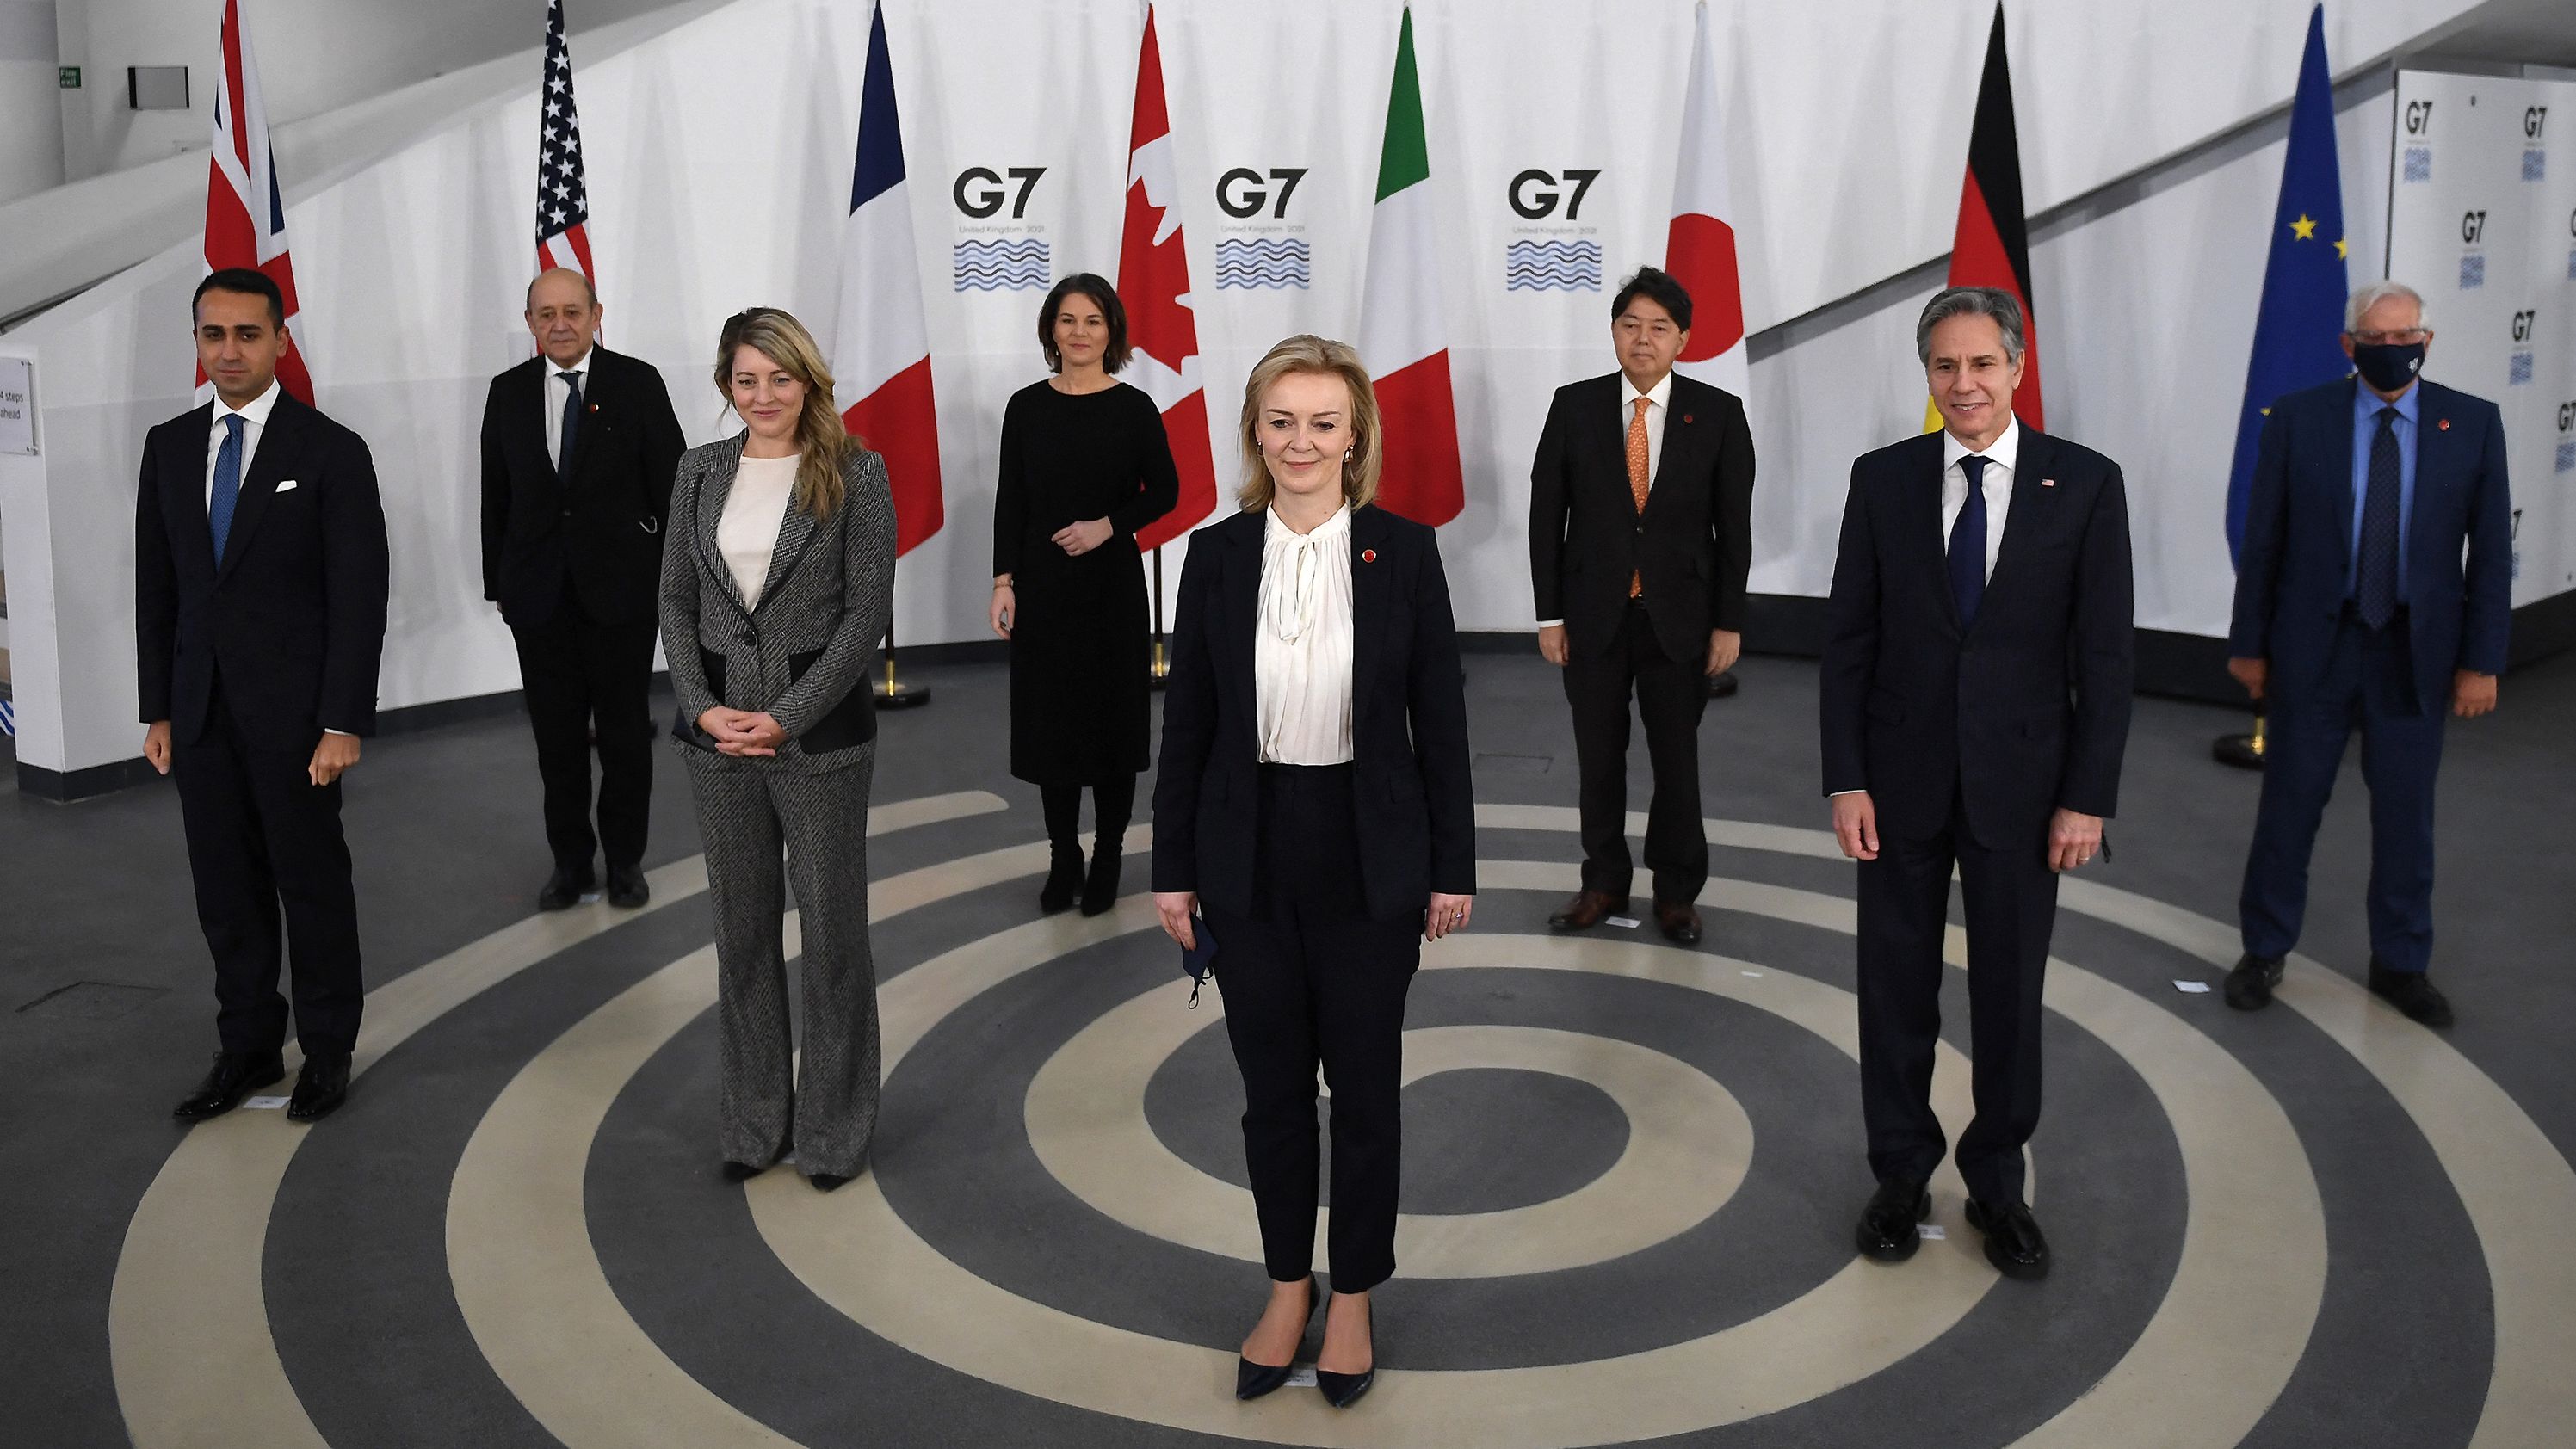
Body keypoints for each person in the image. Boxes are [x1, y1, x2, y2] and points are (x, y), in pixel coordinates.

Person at [1152, 335, 1474, 1411]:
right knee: (1272, 1095)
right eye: (1280, 420)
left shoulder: (1406, 551)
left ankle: (1354, 1296)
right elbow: (1187, 724)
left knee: (1367, 1092)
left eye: (1322, 422)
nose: (1301, 441)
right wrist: (1172, 869)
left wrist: (1451, 867)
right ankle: (1287, 1285)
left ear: (1355, 435)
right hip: (1246, 855)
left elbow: (1443, 724)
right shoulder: (1211, 556)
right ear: (1255, 430)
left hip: (1367, 856)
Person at [1819, 286, 2133, 1281]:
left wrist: (2085, 796)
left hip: (2024, 792)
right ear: (1928, 376)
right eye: (1944, 367)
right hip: (1898, 786)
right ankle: (1900, 1176)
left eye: (1980, 364)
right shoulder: (1881, 480)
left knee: (2007, 996)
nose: (1963, 384)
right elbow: (1847, 646)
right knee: (1892, 993)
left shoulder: (2082, 484)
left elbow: (2105, 658)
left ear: (2016, 367)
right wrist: (1845, 780)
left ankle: (1997, 1184)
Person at [137, 268, 390, 1124]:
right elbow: (158, 587)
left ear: (281, 341)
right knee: (226, 893)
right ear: (198, 343)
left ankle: (326, 1050)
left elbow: (359, 598)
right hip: (201, 716)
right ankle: (246, 1047)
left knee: (310, 885)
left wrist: (343, 720)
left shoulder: (329, 450)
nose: (230, 350)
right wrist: (159, 708)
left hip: (296, 724)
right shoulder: (168, 447)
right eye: (215, 334)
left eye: (248, 333)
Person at [2224, 281, 2511, 1027]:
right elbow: (2264, 543)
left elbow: (2489, 558)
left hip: (2414, 653)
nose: (2394, 350)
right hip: (2315, 647)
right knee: (2287, 808)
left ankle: (2401, 963)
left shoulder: (2472, 424)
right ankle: (2263, 949)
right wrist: (2249, 646)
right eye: (2377, 340)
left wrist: (2482, 661)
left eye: (2406, 335)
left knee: (2407, 819)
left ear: (2427, 338)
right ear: (2349, 346)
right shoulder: (2298, 419)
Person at [661, 308, 897, 1190]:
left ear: (808, 381)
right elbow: (678, 605)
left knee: (832, 938)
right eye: (745, 380)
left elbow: (863, 617)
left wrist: (787, 714)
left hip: (819, 737)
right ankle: (754, 1122)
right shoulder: (696, 472)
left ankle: (832, 1132)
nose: (763, 396)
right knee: (741, 935)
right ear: (728, 386)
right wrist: (700, 706)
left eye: (780, 378)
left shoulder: (856, 473)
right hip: (716, 740)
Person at [1528, 266, 1755, 946]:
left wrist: (1728, 621)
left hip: (1679, 622)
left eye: (1658, 328)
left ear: (1682, 338)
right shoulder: (1573, 406)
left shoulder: (1716, 414)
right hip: (1592, 618)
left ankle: (1677, 893)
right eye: (1630, 325)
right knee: (1597, 760)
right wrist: (1549, 617)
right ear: (1614, 333)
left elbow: (1733, 529)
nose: (1643, 339)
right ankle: (1601, 881)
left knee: (1675, 764)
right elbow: (1547, 518)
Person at [480, 267, 686, 910]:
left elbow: (674, 486)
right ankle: (570, 864)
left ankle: (625, 861)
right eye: (546, 314)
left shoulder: (636, 382)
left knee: (625, 736)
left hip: (621, 597)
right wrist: (500, 586)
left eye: (573, 311)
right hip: (538, 600)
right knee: (556, 742)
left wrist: (672, 580)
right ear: (530, 322)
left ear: (598, 315)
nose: (560, 324)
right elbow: (496, 496)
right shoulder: (507, 392)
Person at [990, 274, 1179, 915]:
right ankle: (1062, 854)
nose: (1078, 332)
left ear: (1112, 332)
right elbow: (1010, 500)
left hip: (1110, 591)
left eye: (1092, 321)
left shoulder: (1133, 407)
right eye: (1067, 320)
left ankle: (1107, 854)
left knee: (1110, 726)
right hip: (1041, 592)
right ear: (1050, 329)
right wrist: (1002, 580)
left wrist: (1108, 526)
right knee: (1052, 729)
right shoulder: (1025, 406)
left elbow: (1166, 492)